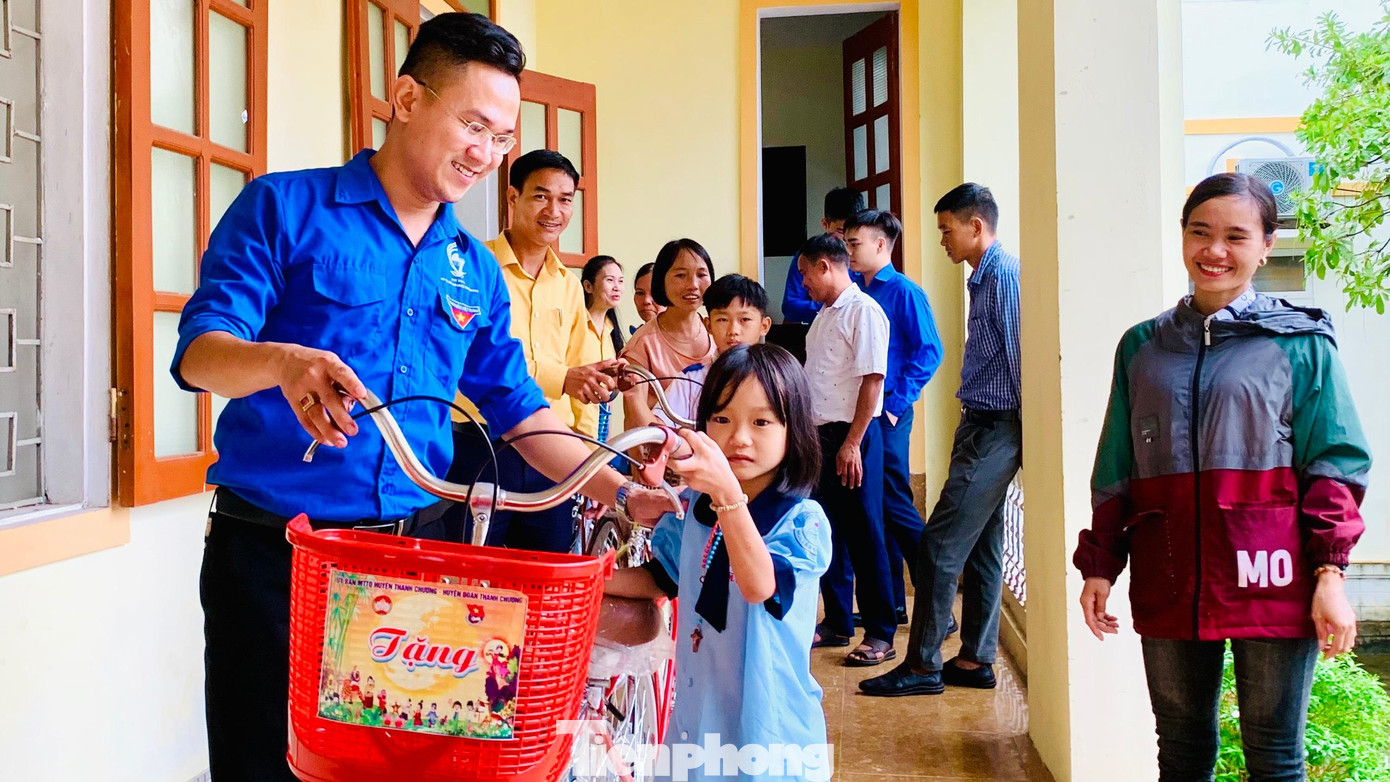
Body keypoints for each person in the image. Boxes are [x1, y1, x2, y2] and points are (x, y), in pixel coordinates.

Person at [170, 14, 673, 780]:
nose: (486, 153)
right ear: (407, 98)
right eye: (472, 123)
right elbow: (202, 355)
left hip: (417, 560)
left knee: (410, 765)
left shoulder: (470, 266)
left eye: (501, 136)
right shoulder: (284, 209)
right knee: (261, 763)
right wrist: (280, 362)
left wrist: (616, 486)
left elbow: (520, 411)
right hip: (276, 558)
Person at [1073, 173, 1370, 781]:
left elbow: (1334, 463)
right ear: (1182, 238)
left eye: (1237, 236)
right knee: (1180, 752)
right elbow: (1117, 465)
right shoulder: (1142, 347)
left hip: (1272, 569)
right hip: (1170, 565)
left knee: (1275, 753)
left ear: (1266, 245)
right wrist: (1101, 562)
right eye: (1200, 232)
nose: (1215, 251)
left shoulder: (1301, 344)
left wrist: (1330, 573)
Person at [604, 344, 831, 780]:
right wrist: (592, 580)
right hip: (699, 714)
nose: (739, 437)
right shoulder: (694, 508)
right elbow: (663, 577)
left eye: (762, 422)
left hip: (769, 729)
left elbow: (759, 585)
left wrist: (728, 495)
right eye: (722, 419)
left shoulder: (800, 521)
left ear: (793, 430)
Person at [860, 183, 1021, 696]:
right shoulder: (983, 276)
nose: (943, 242)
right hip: (981, 423)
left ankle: (923, 665)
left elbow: (1019, 362)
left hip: (997, 427)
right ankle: (975, 659)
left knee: (937, 548)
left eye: (947, 231)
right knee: (981, 550)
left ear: (976, 226)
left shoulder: (1005, 277)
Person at [445, 149, 624, 552]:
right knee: (475, 575)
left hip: (553, 451)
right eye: (541, 196)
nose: (554, 211)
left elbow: (584, 374)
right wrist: (562, 378)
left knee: (548, 576)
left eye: (565, 199)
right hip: (481, 445)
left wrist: (590, 463)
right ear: (512, 198)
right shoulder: (472, 267)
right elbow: (469, 354)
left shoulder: (567, 283)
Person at [797, 234, 896, 666]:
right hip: (820, 436)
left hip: (852, 436)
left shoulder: (863, 312)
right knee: (827, 527)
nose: (803, 283)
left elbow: (872, 380)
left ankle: (880, 631)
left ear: (824, 266)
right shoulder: (824, 317)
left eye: (804, 273)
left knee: (864, 530)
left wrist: (853, 443)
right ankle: (838, 620)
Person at [845, 209, 943, 625]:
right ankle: (893, 604)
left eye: (854, 244)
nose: (847, 251)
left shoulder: (903, 291)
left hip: (887, 411)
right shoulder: (855, 291)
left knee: (893, 501)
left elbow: (929, 351)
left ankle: (936, 600)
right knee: (876, 505)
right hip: (864, 411)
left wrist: (894, 404)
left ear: (881, 245)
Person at [622, 239, 717, 429]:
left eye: (701, 275)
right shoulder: (642, 344)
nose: (693, 285)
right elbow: (634, 419)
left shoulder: (718, 330)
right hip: (665, 451)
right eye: (681, 275)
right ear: (661, 281)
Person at [662, 274, 773, 423]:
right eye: (722, 319)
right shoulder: (690, 381)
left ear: (764, 326)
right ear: (708, 325)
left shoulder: (777, 378)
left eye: (744, 319)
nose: (733, 330)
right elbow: (660, 429)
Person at [781, 187, 865, 325]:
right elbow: (791, 306)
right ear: (825, 224)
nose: (846, 238)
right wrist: (834, 306)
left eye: (853, 232)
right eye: (841, 231)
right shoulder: (808, 256)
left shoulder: (865, 257)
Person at [582, 254, 626, 449]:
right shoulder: (577, 326)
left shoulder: (610, 330)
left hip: (601, 421)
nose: (617, 287)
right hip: (576, 426)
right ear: (588, 286)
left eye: (620, 281)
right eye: (610, 280)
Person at [631, 261, 664, 334]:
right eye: (640, 293)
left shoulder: (685, 339)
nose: (646, 301)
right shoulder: (636, 338)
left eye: (655, 293)